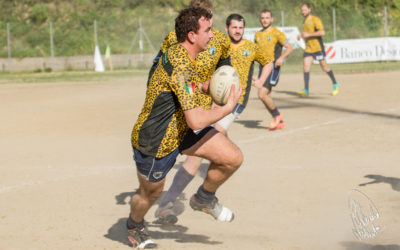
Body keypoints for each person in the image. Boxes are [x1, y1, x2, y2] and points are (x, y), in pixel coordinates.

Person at [127, 7, 243, 248]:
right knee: (150, 194)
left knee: (232, 158)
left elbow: (185, 86)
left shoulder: (182, 55)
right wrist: (227, 107)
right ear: (192, 35)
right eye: (207, 30)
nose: (212, 35)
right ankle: (134, 225)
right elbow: (196, 120)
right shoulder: (180, 64)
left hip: (181, 131)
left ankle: (203, 198)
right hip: (156, 141)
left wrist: (204, 86)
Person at [154, 13, 273, 225]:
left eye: (241, 27)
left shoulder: (250, 47)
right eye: (234, 27)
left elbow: (268, 62)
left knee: (201, 154)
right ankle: (195, 198)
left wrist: (261, 82)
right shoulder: (217, 44)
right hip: (210, 105)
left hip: (231, 106)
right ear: (226, 28)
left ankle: (177, 200)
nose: (238, 30)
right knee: (200, 154)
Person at [254, 9, 293, 130]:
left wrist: (281, 58)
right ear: (260, 19)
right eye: (262, 18)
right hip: (262, 68)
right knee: (266, 95)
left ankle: (276, 115)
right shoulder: (258, 35)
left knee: (262, 94)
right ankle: (279, 121)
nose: (265, 20)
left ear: (271, 19)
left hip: (273, 67)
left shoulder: (277, 33)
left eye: (267, 18)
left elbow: (289, 48)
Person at [296, 2, 339, 97]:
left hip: (318, 48)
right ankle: (306, 90)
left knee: (324, 67)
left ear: (309, 10)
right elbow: (307, 33)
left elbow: (322, 32)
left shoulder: (315, 19)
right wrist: (301, 35)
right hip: (308, 49)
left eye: (305, 10)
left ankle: (335, 83)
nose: (303, 12)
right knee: (305, 67)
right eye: (302, 10)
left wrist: (308, 35)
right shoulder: (305, 21)